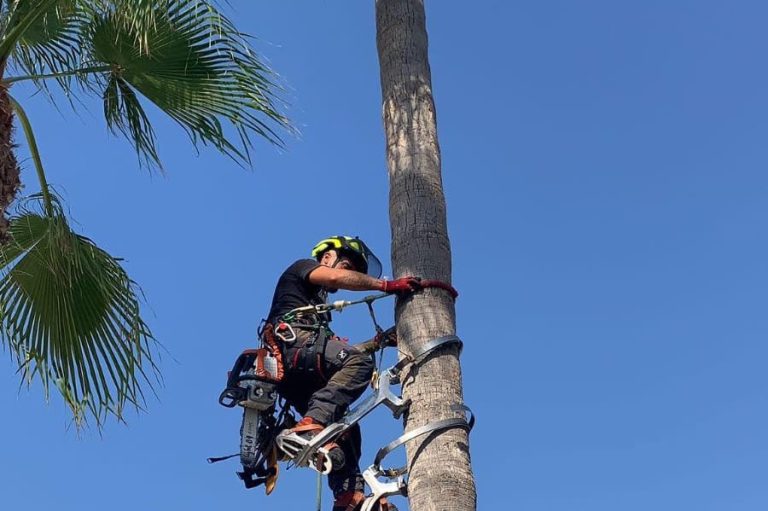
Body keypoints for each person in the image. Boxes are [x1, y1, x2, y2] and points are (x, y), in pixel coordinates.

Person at [263, 235, 420, 511]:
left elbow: (334, 355)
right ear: (326, 258)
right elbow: (335, 279)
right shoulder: (301, 268)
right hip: (293, 349)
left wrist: (378, 342)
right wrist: (387, 285)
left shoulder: (315, 314)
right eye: (346, 265)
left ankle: (349, 497)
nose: (348, 273)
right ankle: (311, 427)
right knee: (358, 365)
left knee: (347, 428)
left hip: (298, 368)